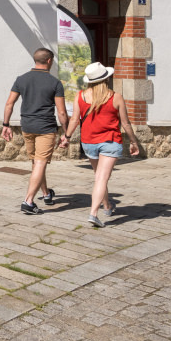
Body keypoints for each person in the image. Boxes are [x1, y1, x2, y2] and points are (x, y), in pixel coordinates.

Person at [60, 62, 142, 227]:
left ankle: (107, 206)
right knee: (101, 178)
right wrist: (133, 141)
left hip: (89, 142)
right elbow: (125, 124)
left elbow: (75, 119)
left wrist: (67, 136)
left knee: (99, 177)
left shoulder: (80, 96)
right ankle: (93, 213)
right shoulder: (115, 97)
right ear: (106, 78)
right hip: (110, 141)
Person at [1, 47, 68, 214]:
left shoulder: (21, 79)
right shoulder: (55, 83)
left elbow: (9, 103)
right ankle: (28, 201)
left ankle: (46, 193)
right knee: (40, 162)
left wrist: (6, 125)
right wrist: (67, 133)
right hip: (45, 128)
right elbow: (61, 112)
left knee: (36, 162)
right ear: (49, 61)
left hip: (27, 126)